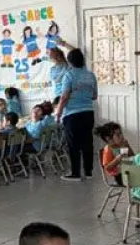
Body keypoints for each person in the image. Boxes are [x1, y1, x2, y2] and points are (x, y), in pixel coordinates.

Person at [55, 48, 98, 181]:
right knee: (87, 143)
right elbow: (94, 96)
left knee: (73, 144)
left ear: (69, 62)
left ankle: (75, 173)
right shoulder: (91, 75)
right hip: (88, 113)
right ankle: (89, 172)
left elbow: (64, 97)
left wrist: (58, 113)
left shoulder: (69, 75)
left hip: (72, 115)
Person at [96, 122, 133, 186]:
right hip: (120, 176)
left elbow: (133, 156)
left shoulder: (123, 145)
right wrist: (117, 160)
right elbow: (107, 167)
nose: (122, 136)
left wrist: (128, 147)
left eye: (121, 133)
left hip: (129, 171)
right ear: (108, 138)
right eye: (118, 135)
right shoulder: (108, 149)